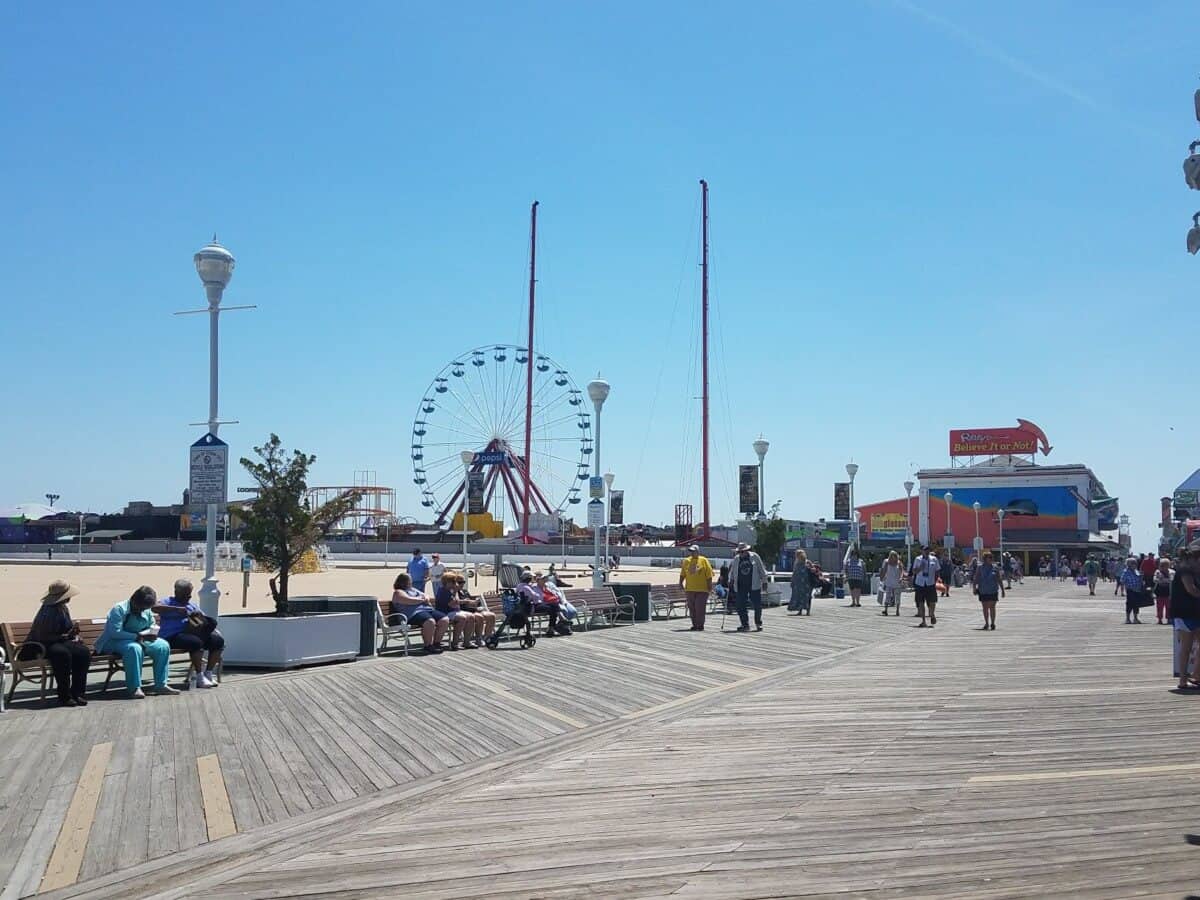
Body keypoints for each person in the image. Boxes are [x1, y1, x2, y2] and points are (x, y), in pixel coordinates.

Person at [95, 586, 180, 698]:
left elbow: (151, 624)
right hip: (114, 641)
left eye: (145, 608)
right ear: (134, 600)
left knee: (162, 646)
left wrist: (151, 632)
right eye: (141, 608)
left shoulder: (146, 610)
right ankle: (135, 687)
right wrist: (137, 636)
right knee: (134, 648)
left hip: (140, 638)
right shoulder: (119, 609)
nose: (142, 610)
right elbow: (115, 632)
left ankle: (161, 685)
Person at [25, 580, 91, 707]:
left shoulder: (63, 608)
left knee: (83, 652)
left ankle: (78, 693)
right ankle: (64, 695)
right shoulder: (47, 611)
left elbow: (67, 629)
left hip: (59, 641)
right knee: (62, 654)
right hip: (42, 645)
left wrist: (74, 635)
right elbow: (42, 636)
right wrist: (65, 636)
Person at [155, 578, 223, 689]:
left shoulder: (192, 605)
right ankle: (199, 676)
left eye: (189, 595)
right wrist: (176, 609)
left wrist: (199, 618)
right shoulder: (167, 602)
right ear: (177, 592)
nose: (188, 597)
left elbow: (203, 619)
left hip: (193, 632)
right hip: (172, 636)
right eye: (185, 595)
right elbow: (155, 607)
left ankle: (208, 673)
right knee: (195, 643)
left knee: (218, 641)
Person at [391, 572, 448, 653]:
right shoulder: (398, 592)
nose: (411, 582)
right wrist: (421, 600)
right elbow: (409, 601)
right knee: (430, 621)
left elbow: (426, 596)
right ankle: (428, 645)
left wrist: (424, 598)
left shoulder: (413, 590)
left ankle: (436, 643)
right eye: (409, 580)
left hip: (426, 610)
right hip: (412, 614)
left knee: (444, 619)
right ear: (403, 582)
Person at [1170, 548, 1200, 690]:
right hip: (1184, 613)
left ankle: (1196, 675)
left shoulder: (1192, 572)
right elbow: (1191, 590)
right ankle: (1183, 679)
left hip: (1195, 613)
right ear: (1194, 559)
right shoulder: (1185, 571)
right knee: (1186, 648)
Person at [433, 570, 480, 650]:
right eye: (454, 581)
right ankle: (455, 643)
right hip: (445, 612)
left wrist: (455, 591)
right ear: (448, 582)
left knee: (471, 616)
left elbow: (456, 602)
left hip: (454, 611)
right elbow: (452, 603)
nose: (456, 583)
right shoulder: (443, 591)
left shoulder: (451, 590)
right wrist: (467, 601)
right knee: (462, 618)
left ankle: (466, 642)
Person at [731, 542, 768, 633]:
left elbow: (761, 569)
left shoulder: (755, 556)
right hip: (740, 586)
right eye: (739, 552)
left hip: (754, 585)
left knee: (757, 605)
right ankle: (745, 624)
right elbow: (733, 571)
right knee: (740, 606)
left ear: (747, 550)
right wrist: (731, 580)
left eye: (743, 551)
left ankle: (758, 623)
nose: (741, 553)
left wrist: (764, 582)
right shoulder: (736, 559)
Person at [452, 572, 496, 645]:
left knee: (491, 616)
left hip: (473, 609)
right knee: (479, 617)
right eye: (460, 582)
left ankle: (487, 637)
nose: (462, 584)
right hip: (465, 611)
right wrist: (468, 602)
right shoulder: (454, 592)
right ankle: (478, 639)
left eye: (463, 582)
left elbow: (471, 601)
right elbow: (457, 603)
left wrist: (475, 603)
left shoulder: (465, 591)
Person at [679, 544, 714, 631]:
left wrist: (710, 587)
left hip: (702, 589)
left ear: (698, 551)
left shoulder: (704, 560)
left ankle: (700, 625)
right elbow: (683, 574)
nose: (692, 553)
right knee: (692, 608)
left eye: (694, 551)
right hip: (690, 589)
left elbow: (709, 575)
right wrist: (680, 583)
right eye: (691, 551)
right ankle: (694, 625)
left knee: (700, 608)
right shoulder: (686, 561)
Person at [972, 551, 1005, 630]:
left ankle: (993, 623)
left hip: (993, 590)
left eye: (991, 557)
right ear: (985, 559)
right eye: (989, 557)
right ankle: (986, 623)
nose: (990, 559)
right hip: (983, 590)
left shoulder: (995, 567)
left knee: (992, 607)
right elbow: (976, 578)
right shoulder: (980, 567)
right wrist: (974, 587)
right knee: (985, 607)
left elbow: (999, 579)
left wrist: (1003, 590)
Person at [910, 546, 939, 627]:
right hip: (920, 583)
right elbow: (914, 571)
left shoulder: (934, 559)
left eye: (928, 550)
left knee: (933, 601)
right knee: (921, 602)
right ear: (922, 551)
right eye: (925, 550)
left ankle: (932, 614)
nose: (926, 552)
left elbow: (937, 570)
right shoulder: (917, 559)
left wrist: (936, 580)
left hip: (930, 583)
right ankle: (923, 621)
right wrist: (920, 568)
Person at [531, 572, 565, 637]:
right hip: (536, 605)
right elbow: (537, 599)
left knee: (554, 607)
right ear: (538, 580)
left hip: (547, 604)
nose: (545, 580)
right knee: (554, 609)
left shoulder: (547, 586)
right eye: (543, 579)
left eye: (545, 579)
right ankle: (553, 626)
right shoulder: (534, 587)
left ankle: (552, 628)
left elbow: (555, 594)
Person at [789, 550, 818, 616]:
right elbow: (794, 573)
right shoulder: (796, 563)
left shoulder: (807, 562)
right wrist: (792, 581)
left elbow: (814, 570)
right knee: (799, 596)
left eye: (797, 554)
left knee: (807, 597)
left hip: (807, 583)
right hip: (799, 583)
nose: (796, 556)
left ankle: (808, 611)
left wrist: (810, 568)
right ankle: (800, 610)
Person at [1119, 558, 1147, 624]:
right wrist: (1127, 586)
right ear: (1128, 564)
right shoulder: (1126, 572)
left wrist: (1141, 577)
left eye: (1135, 563)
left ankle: (1135, 618)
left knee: (1136, 604)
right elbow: (1122, 580)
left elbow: (1140, 580)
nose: (1135, 565)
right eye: (1133, 563)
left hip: (1137, 590)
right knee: (1129, 604)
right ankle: (1128, 618)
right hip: (1130, 590)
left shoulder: (1136, 571)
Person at [879, 550, 904, 616]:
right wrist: (881, 578)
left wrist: (901, 578)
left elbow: (902, 571)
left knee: (898, 596)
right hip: (889, 581)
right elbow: (884, 570)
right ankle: (886, 610)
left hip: (897, 582)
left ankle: (897, 610)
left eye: (894, 556)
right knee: (888, 596)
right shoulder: (886, 562)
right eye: (891, 556)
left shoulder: (899, 563)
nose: (893, 558)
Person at [1154, 558, 1173, 625]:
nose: (1163, 567)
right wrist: (1165, 580)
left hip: (1169, 592)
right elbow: (1155, 580)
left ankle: (1169, 619)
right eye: (1161, 565)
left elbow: (1172, 581)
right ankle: (1159, 619)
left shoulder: (1172, 572)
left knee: (1169, 606)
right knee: (1159, 606)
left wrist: (1162, 580)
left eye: (1165, 565)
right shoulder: (1157, 572)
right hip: (1159, 592)